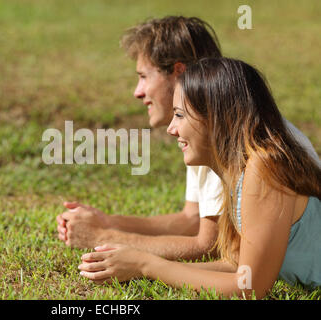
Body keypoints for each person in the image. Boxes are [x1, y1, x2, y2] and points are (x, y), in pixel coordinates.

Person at [56, 16, 319, 262]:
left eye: (143, 77)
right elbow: (192, 219)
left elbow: (210, 244)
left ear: (179, 73)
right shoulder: (207, 128)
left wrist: (102, 238)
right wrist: (108, 222)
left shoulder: (233, 139)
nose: (137, 92)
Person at [78, 58, 321, 298]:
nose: (171, 129)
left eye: (180, 115)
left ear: (217, 117)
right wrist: (139, 267)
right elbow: (235, 265)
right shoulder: (237, 173)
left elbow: (249, 287)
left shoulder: (264, 168)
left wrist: (147, 265)